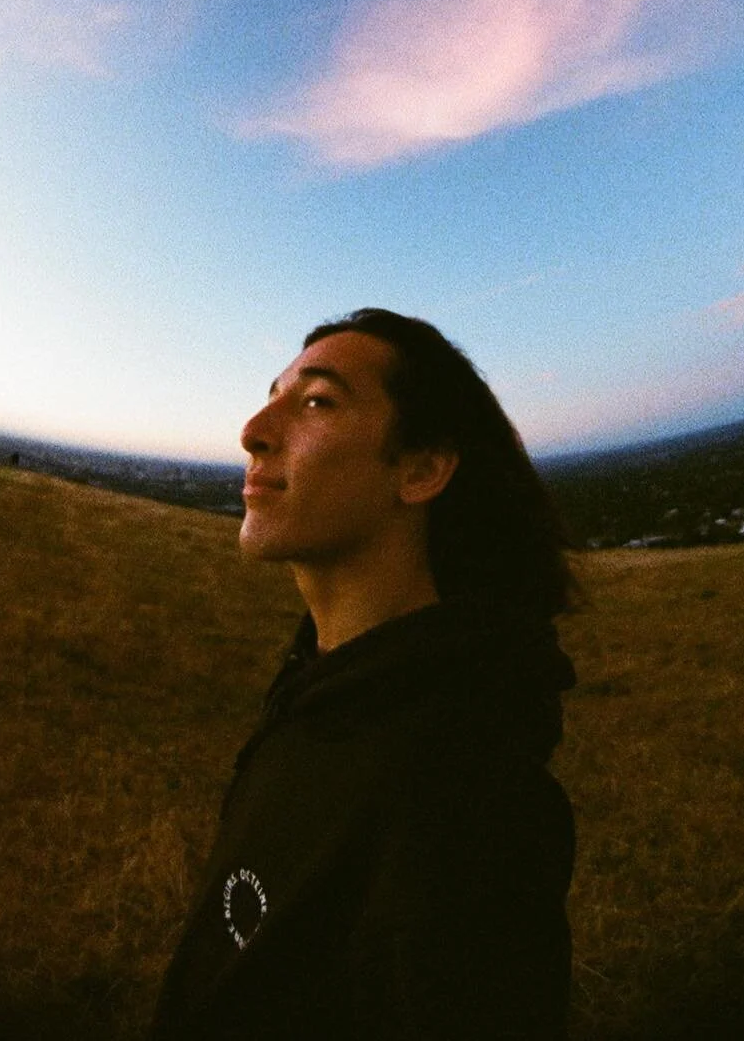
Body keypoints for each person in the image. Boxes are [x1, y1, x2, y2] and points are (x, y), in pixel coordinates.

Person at [148, 308, 585, 1040]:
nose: (253, 429)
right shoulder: (322, 687)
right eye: (275, 393)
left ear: (421, 469)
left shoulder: (467, 808)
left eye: (317, 401)